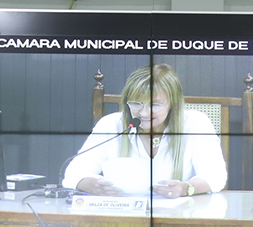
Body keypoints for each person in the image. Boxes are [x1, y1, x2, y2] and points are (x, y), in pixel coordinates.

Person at [62, 64, 227, 198]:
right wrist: (94, 185)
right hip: (122, 218)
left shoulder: (196, 123)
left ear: (173, 105)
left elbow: (215, 177)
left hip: (180, 217)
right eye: (136, 104)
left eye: (154, 105)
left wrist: (186, 188)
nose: (144, 113)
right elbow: (74, 173)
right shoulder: (111, 124)